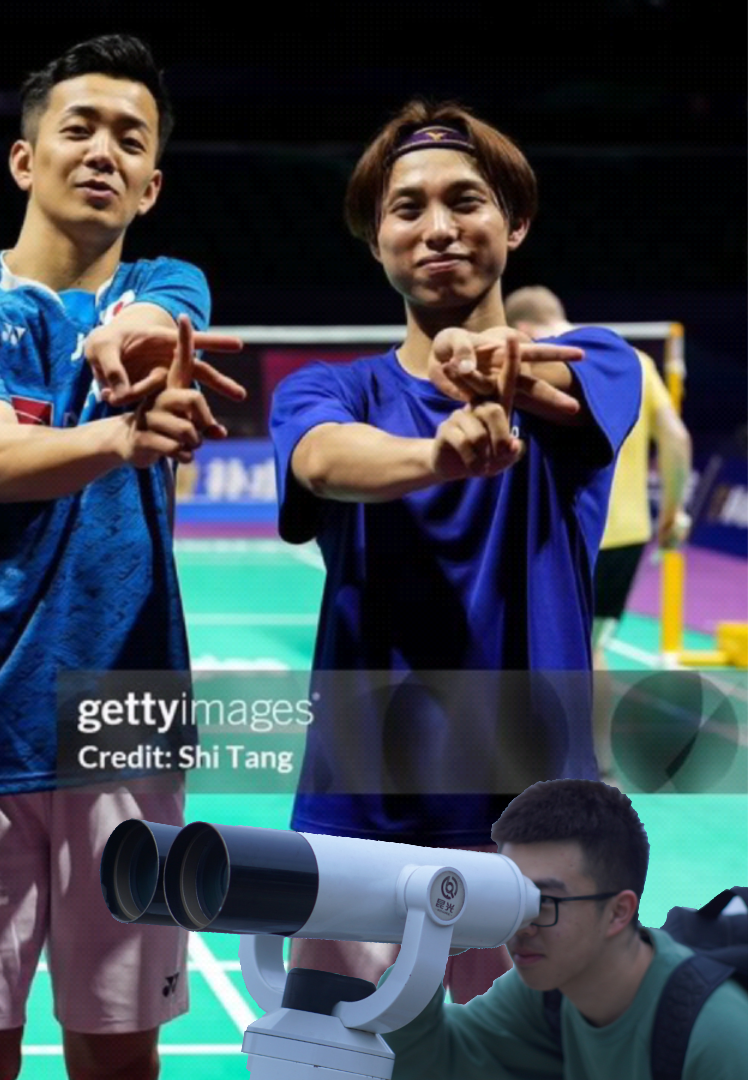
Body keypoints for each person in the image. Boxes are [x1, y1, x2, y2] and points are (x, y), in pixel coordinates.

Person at [0, 33, 245, 1080]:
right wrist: (119, 437)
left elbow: (151, 327)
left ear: (152, 182)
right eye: (77, 128)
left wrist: (120, 347)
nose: (103, 151)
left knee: (119, 1049)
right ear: (23, 159)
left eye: (130, 139)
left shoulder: (173, 283)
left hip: (126, 715)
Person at [270, 101, 642, 1003]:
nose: (438, 228)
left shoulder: (597, 362)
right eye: (407, 209)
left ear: (513, 224)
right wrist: (438, 454)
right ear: (377, 242)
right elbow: (321, 459)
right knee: (331, 1062)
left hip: (540, 833)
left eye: (465, 201)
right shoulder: (331, 388)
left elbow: (562, 389)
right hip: (358, 821)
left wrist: (510, 369)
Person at [384, 778, 748, 1078]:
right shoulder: (551, 993)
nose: (521, 927)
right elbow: (435, 1064)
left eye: (544, 902)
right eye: (514, 899)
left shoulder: (718, 1040)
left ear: (619, 912)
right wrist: (428, 945)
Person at [506, 285, 693, 779]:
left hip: (571, 533)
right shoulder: (631, 361)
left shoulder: (531, 363)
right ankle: (598, 757)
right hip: (630, 534)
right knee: (595, 644)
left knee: (560, 647)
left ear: (523, 328)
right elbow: (675, 436)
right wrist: (673, 514)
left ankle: (562, 758)